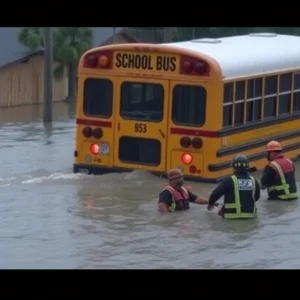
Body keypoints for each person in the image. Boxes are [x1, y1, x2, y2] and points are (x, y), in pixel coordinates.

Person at [207, 154, 260, 219]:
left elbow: (215, 194)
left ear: (234, 168)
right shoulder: (254, 181)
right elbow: (256, 197)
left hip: (231, 218)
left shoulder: (229, 181)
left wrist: (210, 203)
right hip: (250, 217)